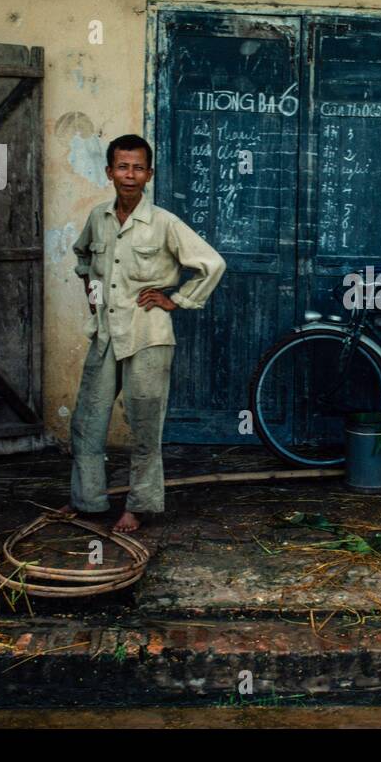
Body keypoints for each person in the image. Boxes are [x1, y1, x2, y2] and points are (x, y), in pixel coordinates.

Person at [67, 134, 226, 532]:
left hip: (148, 335)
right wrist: (93, 292)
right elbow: (83, 256)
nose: (130, 175)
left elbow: (212, 263)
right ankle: (88, 501)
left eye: (138, 167)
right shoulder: (98, 218)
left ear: (149, 173)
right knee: (87, 421)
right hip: (105, 334)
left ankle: (138, 505)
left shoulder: (164, 223)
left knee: (144, 424)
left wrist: (178, 299)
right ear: (109, 172)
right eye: (122, 167)